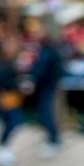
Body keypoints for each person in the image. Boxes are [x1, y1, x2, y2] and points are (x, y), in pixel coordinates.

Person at [28, 22, 64, 156]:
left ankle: (53, 140)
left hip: (46, 87)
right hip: (48, 86)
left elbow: (40, 71)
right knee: (45, 112)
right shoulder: (51, 50)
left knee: (46, 113)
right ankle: (52, 138)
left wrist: (29, 71)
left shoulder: (46, 52)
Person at [0, 36, 23, 166]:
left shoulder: (11, 61)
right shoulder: (0, 62)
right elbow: (1, 79)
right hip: (4, 97)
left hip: (11, 96)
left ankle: (3, 145)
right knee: (13, 120)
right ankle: (2, 146)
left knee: (10, 121)